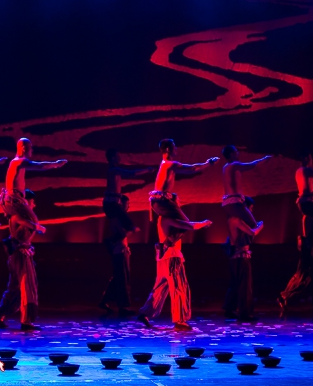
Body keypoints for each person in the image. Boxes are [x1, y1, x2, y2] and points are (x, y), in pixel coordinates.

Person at [137, 139, 217, 331]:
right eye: (174, 148)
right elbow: (192, 169)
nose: (177, 150)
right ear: (167, 149)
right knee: (179, 285)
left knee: (161, 286)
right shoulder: (169, 164)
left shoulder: (164, 218)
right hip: (172, 257)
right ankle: (180, 320)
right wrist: (208, 164)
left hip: (163, 258)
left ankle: (145, 313)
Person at [99, 148, 156, 315]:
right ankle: (123, 306)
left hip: (122, 249)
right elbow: (130, 173)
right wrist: (146, 170)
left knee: (119, 277)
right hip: (119, 250)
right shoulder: (113, 170)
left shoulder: (116, 211)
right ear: (112, 158)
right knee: (123, 278)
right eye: (117, 156)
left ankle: (105, 301)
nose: (120, 157)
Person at [278, 194, 313, 315]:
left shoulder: (312, 217)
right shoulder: (310, 216)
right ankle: (284, 296)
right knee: (303, 276)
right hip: (310, 249)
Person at [0, 189, 41, 331]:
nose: (33, 205)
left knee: (14, 287)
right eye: (32, 202)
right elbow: (35, 225)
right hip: (20, 256)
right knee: (26, 286)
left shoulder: (19, 217)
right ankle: (26, 320)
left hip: (20, 255)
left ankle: (0, 315)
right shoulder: (17, 217)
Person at [0, 138, 67, 232]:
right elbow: (41, 166)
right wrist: (56, 164)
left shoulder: (17, 162)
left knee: (31, 223)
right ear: (24, 148)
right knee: (33, 222)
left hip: (15, 199)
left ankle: (16, 233)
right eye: (30, 147)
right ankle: (17, 227)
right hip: (14, 200)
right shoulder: (18, 161)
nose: (32, 150)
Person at [222, 197, 264, 321]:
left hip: (236, 257)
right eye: (250, 209)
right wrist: (260, 225)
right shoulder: (236, 220)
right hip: (241, 256)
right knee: (244, 286)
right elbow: (253, 232)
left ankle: (230, 309)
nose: (250, 212)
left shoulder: (232, 219)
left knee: (236, 284)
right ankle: (245, 314)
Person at [221, 145, 272, 240]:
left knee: (240, 226)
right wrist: (265, 159)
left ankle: (236, 244)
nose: (238, 153)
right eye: (236, 152)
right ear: (231, 154)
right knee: (255, 226)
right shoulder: (234, 165)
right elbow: (252, 164)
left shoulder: (225, 167)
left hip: (227, 203)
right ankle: (247, 239)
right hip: (235, 202)